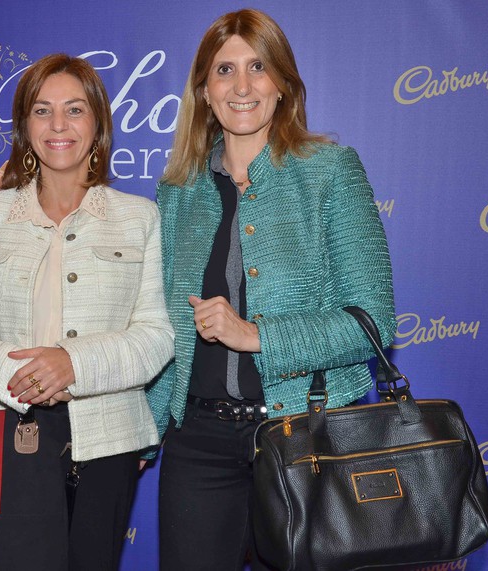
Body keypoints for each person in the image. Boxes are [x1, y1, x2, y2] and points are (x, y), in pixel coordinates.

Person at [144, 9, 396, 570]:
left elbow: (373, 323)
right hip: (198, 445)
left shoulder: (330, 171)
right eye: (224, 70)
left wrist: (256, 335)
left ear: (283, 84)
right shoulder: (177, 192)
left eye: (257, 67)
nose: (241, 85)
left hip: (307, 437)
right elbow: (166, 328)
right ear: (204, 91)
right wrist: (146, 430)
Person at [0, 53, 174, 570]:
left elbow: (156, 334)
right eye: (42, 110)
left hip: (106, 435)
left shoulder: (139, 218)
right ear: (25, 125)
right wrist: (19, 378)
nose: (59, 125)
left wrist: (73, 365)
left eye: (75, 109)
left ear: (98, 124)